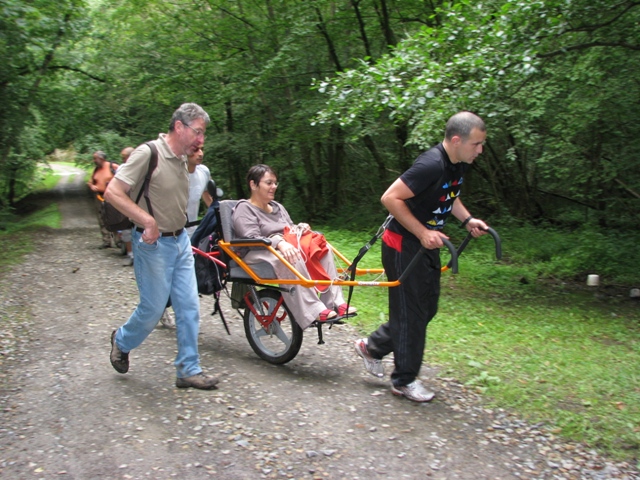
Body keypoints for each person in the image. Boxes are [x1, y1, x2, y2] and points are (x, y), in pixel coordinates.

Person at [354, 111, 490, 403]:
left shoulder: (456, 165)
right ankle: (404, 381)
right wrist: (421, 232)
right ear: (457, 140)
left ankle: (373, 347)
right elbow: (390, 197)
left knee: (425, 310)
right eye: (476, 144)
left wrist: (467, 221)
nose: (480, 150)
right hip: (404, 246)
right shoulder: (431, 164)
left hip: (426, 244)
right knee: (412, 314)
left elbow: (448, 197)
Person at [104, 102, 219, 390]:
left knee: (189, 306)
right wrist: (148, 221)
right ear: (179, 127)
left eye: (203, 134)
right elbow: (113, 192)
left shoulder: (183, 158)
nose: (201, 140)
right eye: (198, 132)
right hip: (152, 244)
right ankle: (121, 340)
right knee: (153, 309)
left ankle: (188, 369)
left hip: (180, 242)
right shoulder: (148, 153)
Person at [232, 164, 356, 330]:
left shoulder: (278, 207)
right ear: (253, 185)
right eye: (268, 183)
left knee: (323, 249)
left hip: (282, 247)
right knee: (291, 255)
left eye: (275, 183)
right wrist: (279, 242)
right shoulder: (244, 209)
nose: (274, 187)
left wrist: (300, 228)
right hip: (256, 252)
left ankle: (335, 302)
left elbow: (288, 229)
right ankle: (313, 311)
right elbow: (251, 239)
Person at [159, 147, 212, 329]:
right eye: (195, 150)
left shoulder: (203, 172)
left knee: (189, 274)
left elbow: (208, 197)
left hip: (194, 230)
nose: (200, 153)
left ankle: (182, 314)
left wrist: (219, 216)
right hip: (171, 231)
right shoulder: (173, 174)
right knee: (172, 273)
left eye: (202, 150)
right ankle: (161, 308)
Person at [87, 151, 117, 248]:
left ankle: (119, 240)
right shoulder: (96, 169)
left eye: (95, 158)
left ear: (102, 158)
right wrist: (92, 186)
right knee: (102, 218)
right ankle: (106, 241)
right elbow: (90, 182)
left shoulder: (113, 167)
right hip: (99, 197)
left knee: (115, 217)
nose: (94, 160)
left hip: (113, 196)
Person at [119, 147, 135, 266]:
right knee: (126, 230)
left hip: (140, 205)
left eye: (125, 157)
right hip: (127, 204)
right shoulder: (121, 169)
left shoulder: (143, 166)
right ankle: (130, 254)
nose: (123, 160)